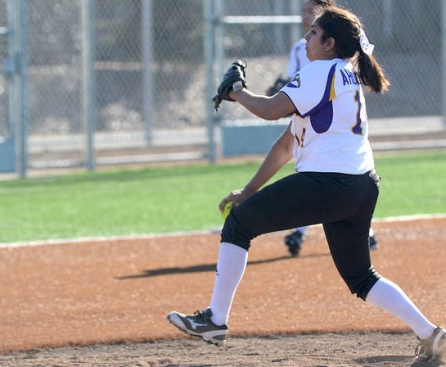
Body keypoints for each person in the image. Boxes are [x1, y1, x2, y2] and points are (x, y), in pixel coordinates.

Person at [167, 6, 445, 363]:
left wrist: (236, 92)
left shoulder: (321, 70)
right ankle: (431, 335)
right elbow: (286, 144)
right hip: (361, 186)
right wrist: (250, 190)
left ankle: (215, 320)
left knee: (239, 225)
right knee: (361, 277)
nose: (306, 37)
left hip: (328, 183)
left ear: (330, 43)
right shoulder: (344, 73)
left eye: (314, 33)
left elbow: (269, 109)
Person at [268, 0, 379, 257]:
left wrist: (240, 93)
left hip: (321, 113)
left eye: (311, 12)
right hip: (306, 106)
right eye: (304, 11)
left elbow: (275, 107)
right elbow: (295, 80)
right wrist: (281, 91)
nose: (305, 16)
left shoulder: (336, 58)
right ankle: (351, 227)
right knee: (323, 172)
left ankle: (305, 230)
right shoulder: (304, 49)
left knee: (319, 173)